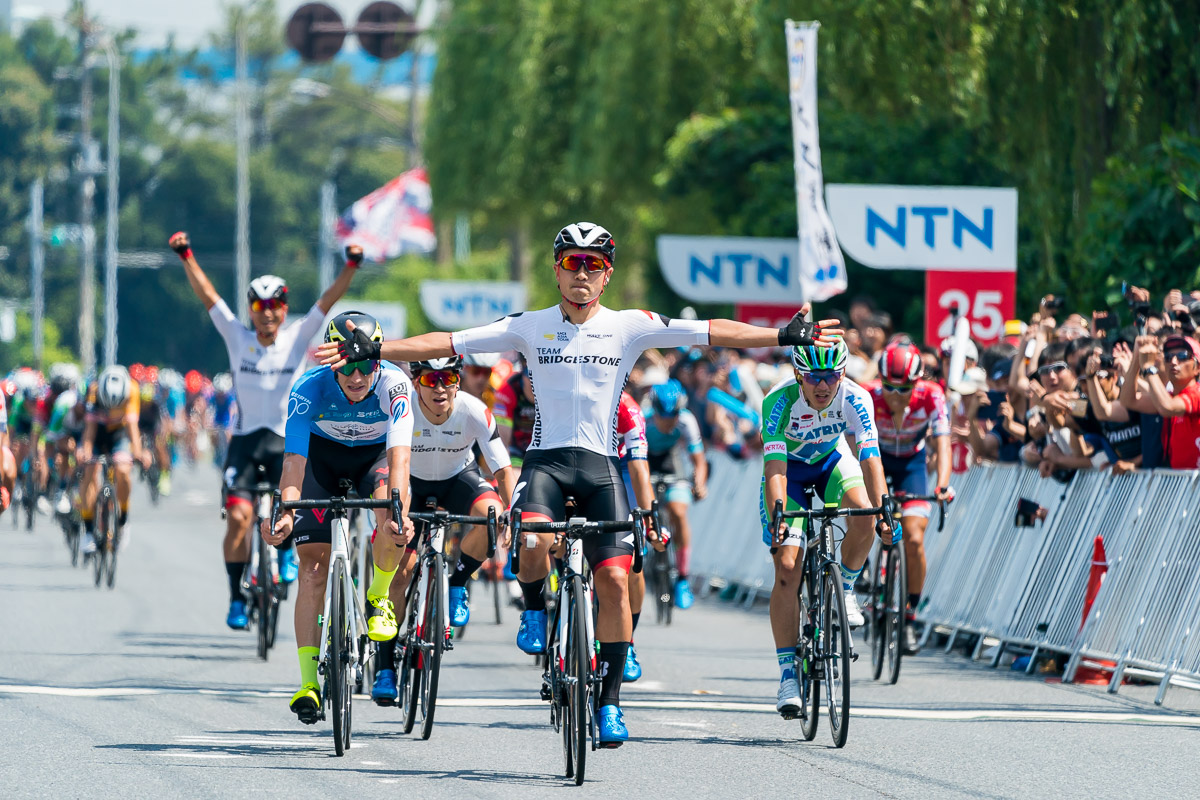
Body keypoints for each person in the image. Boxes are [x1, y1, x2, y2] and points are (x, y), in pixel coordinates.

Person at [316, 220, 841, 746]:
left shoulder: (630, 325)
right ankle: (536, 611)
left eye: (593, 264)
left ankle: (609, 703)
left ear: (607, 274)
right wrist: (378, 351)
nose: (582, 273)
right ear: (557, 269)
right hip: (544, 463)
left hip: (599, 466)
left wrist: (781, 335)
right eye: (572, 262)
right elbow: (448, 340)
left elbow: (709, 330)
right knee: (532, 539)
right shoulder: (530, 325)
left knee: (614, 581)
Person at [168, 231, 360, 630]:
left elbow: (329, 300)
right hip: (245, 441)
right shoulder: (237, 337)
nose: (267, 313)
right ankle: (237, 596)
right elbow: (208, 296)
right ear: (251, 309)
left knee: (288, 509)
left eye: (275, 306)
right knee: (239, 520)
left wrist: (351, 266)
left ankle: (287, 553)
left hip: (286, 442)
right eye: (259, 306)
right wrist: (186, 254)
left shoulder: (297, 337)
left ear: (284, 308)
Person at [261, 311, 414, 724]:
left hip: (374, 460)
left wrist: (398, 511)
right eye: (347, 364)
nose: (357, 375)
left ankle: (379, 595)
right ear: (332, 360)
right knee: (312, 570)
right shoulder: (309, 389)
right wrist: (285, 513)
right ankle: (308, 683)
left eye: (366, 365)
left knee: (391, 515)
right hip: (321, 464)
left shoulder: (396, 385)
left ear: (378, 362)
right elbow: (294, 464)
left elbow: (400, 460)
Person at [369, 356, 515, 705]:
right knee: (401, 573)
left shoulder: (475, 410)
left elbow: (505, 470)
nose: (439, 387)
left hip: (458, 480)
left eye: (447, 377)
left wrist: (514, 512)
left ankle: (458, 584)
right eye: (430, 379)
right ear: (416, 381)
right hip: (412, 484)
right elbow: (388, 466)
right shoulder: (402, 410)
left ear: (458, 380)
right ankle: (385, 666)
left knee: (492, 513)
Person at [760, 339, 892, 717]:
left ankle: (845, 588)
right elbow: (775, 470)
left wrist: (884, 510)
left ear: (843, 373)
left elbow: (870, 459)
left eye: (831, 377)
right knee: (787, 567)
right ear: (799, 374)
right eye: (814, 377)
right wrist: (780, 516)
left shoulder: (856, 397)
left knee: (865, 513)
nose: (823, 386)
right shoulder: (778, 401)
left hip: (832, 462)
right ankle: (788, 674)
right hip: (790, 475)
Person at [865, 341, 952, 655]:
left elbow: (943, 444)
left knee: (914, 538)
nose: (895, 395)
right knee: (864, 516)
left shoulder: (932, 396)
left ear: (917, 383)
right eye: (888, 386)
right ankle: (860, 570)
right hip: (875, 461)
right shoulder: (868, 395)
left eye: (904, 389)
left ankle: (910, 615)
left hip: (911, 466)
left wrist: (942, 485)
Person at [643, 379, 707, 610]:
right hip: (644, 462)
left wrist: (699, 483)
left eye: (674, 417)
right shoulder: (643, 420)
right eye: (665, 418)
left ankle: (682, 578)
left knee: (679, 512)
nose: (670, 423)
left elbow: (699, 461)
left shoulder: (686, 420)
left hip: (672, 462)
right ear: (655, 412)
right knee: (641, 508)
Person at [79, 366, 149, 553]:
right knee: (90, 471)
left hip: (120, 434)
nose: (111, 411)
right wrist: (85, 452)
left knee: (123, 470)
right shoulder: (93, 393)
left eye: (116, 406)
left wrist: (138, 452)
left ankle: (123, 521)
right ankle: (88, 531)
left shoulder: (132, 390)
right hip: (98, 433)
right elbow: (89, 432)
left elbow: (132, 427)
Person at [616, 389, 655, 683]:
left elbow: (639, 469)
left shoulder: (627, 408)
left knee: (632, 559)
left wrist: (649, 518)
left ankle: (627, 639)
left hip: (621, 470)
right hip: (573, 466)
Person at [1132, 334, 1200, 469]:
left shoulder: (1197, 393)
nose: (1174, 362)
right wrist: (1136, 359)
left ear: (1198, 368)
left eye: (1182, 356)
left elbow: (1166, 408)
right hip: (1182, 486)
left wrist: (1149, 367)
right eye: (1168, 357)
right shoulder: (1169, 396)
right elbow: (1129, 401)